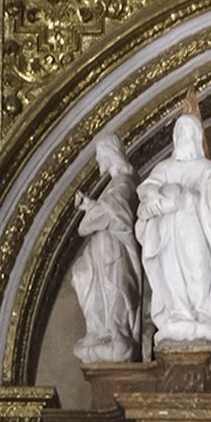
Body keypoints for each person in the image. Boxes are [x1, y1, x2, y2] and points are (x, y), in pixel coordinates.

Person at [135, 101, 211, 351]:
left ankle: (202, 311)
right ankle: (179, 312)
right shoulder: (164, 168)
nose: (182, 136)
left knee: (198, 267)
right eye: (178, 133)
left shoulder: (207, 168)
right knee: (171, 272)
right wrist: (153, 198)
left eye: (187, 132)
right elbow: (148, 188)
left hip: (195, 228)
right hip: (168, 233)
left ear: (195, 137)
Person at [70, 130, 144, 364]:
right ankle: (98, 329)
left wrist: (93, 211)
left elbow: (117, 211)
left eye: (100, 155)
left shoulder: (125, 181)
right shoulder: (114, 184)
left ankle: (115, 330)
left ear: (110, 155)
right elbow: (105, 210)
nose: (98, 161)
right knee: (81, 276)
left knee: (116, 287)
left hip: (115, 246)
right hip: (100, 249)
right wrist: (91, 207)